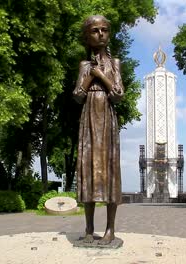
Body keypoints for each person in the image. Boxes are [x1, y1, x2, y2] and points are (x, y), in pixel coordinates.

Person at [73, 15, 124, 245]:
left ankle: (110, 230)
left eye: (104, 30)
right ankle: (89, 228)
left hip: (107, 119)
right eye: (95, 30)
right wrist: (88, 77)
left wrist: (100, 75)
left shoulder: (115, 64)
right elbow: (77, 96)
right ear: (87, 36)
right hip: (88, 119)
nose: (100, 34)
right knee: (88, 170)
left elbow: (118, 95)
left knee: (110, 172)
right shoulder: (84, 65)